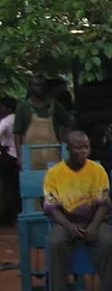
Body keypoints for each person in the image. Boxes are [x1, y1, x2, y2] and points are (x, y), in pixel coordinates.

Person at [42, 130, 112, 291]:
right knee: (55, 242)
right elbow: (51, 207)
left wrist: (93, 226)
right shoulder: (54, 173)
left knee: (108, 242)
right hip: (66, 221)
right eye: (78, 147)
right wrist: (69, 226)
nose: (84, 151)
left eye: (86, 147)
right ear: (68, 149)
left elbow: (104, 204)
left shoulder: (97, 170)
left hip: (95, 219)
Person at [13, 77, 73, 171]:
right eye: (36, 85)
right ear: (30, 87)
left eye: (42, 85)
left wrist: (64, 143)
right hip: (30, 155)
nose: (40, 87)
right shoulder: (23, 107)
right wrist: (20, 156)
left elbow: (69, 124)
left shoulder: (55, 105)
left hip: (53, 153)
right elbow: (17, 133)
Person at [0, 96, 18, 226]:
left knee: (7, 187)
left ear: (7, 108)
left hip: (8, 156)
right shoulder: (20, 118)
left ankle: (9, 216)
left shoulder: (6, 121)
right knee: (17, 186)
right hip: (21, 156)